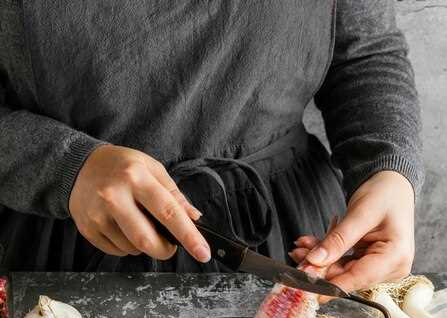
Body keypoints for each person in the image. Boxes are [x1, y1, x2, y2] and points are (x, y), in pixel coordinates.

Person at [0, 1, 422, 293]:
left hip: (289, 234)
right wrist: (61, 165)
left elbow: (365, 52)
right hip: (60, 247)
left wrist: (389, 171)